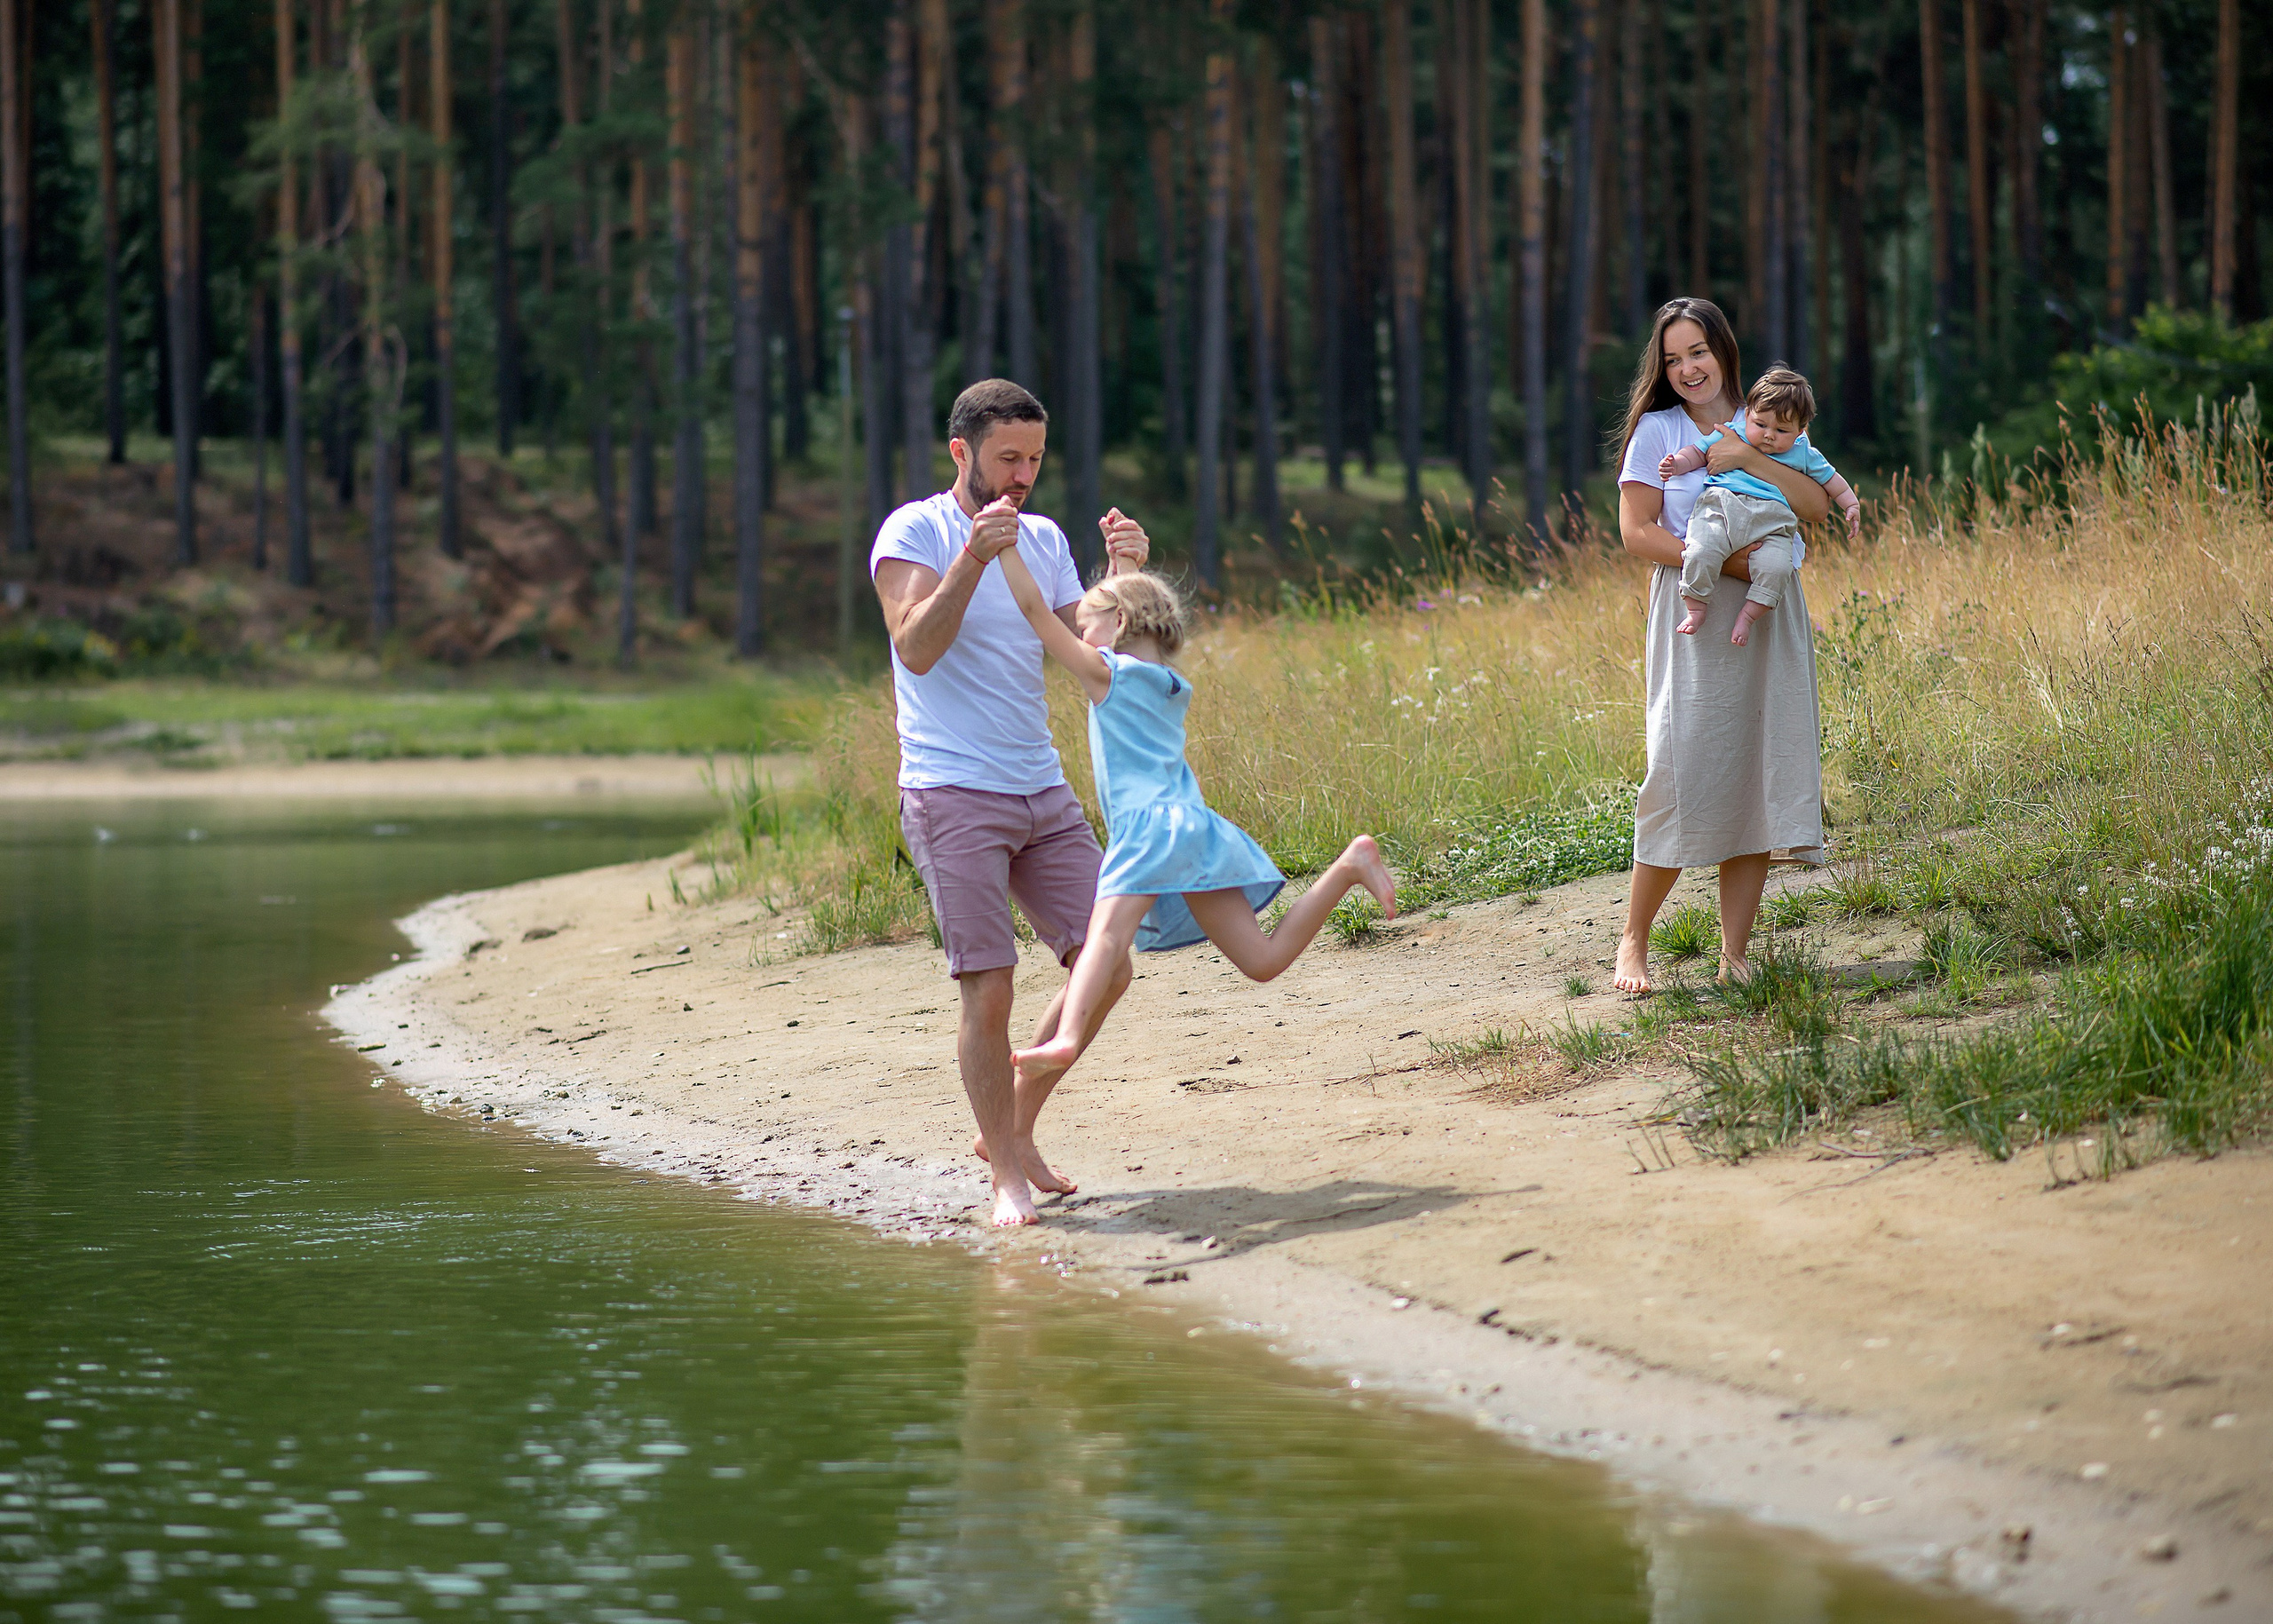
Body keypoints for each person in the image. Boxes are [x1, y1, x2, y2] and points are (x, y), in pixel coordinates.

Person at [870, 377, 1150, 1227]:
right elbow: (913, 647)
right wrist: (970, 557)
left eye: (1034, 456)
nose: (1024, 474)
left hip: (1041, 786)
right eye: (1007, 458)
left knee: (1110, 964)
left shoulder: (1045, 535)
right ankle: (1006, 1183)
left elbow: (1085, 644)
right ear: (962, 453)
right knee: (989, 988)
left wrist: (1126, 577)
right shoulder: (914, 530)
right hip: (950, 790)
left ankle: (1015, 1128)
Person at [987, 546, 1398, 1087]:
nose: (1080, 638)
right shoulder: (1166, 681)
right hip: (1193, 829)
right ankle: (1349, 865)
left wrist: (1005, 547)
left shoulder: (1107, 674)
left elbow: (1036, 611)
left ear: (1117, 628)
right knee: (1262, 959)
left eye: (1085, 627)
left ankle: (1066, 1037)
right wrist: (1125, 568)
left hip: (1147, 830)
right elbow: (1127, 610)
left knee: (1105, 940)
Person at [1611, 298, 1833, 994]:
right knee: (1677, 772)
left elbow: (1818, 510)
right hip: (1695, 610)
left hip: (1769, 617)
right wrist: (1723, 565)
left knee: (1754, 779)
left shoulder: (1766, 418)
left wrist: (1744, 455)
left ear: (1722, 351)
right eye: (1673, 359)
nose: (1686, 369)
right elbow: (1636, 532)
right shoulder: (1657, 429)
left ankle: (1735, 953)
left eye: (1697, 353)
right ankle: (1633, 940)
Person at [1660, 366, 1862, 646]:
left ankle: (1749, 615)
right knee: (1700, 549)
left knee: (1777, 568)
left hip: (1773, 523)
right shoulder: (1733, 433)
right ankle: (1695, 606)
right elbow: (1697, 453)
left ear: (1800, 431)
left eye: (1781, 430)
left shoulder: (1803, 452)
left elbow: (1833, 481)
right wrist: (1678, 464)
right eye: (1761, 424)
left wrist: (1850, 503)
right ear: (1747, 415)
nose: (1769, 434)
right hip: (1722, 509)